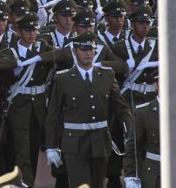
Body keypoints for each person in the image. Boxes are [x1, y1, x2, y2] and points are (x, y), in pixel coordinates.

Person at [45, 33, 132, 188]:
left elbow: (121, 106)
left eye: (91, 50)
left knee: (98, 184)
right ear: (74, 51)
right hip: (75, 143)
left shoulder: (107, 75)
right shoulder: (63, 79)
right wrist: (51, 146)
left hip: (100, 140)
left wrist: (129, 130)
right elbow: (53, 114)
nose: (88, 53)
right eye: (84, 50)